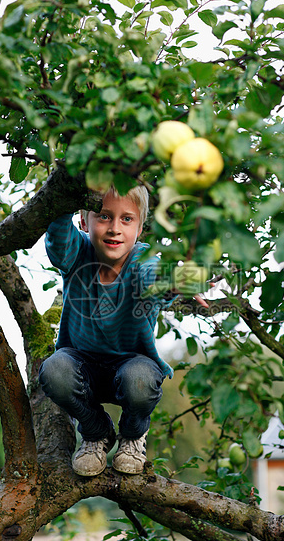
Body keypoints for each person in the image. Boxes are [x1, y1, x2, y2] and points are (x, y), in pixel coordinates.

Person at [39, 185, 208, 476]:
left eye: (126, 219)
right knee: (54, 371)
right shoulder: (77, 251)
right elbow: (57, 242)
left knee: (140, 379)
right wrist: (68, 188)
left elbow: (153, 276)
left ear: (140, 228)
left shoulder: (145, 259)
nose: (115, 228)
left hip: (132, 366)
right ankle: (95, 433)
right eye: (104, 216)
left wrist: (185, 279)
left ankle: (132, 435)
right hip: (81, 365)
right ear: (83, 221)